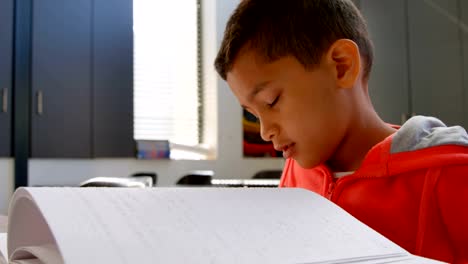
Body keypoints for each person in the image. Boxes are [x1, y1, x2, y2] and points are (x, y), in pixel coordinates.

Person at [214, 0, 468, 263]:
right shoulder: (296, 174)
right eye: (254, 115)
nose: (265, 132)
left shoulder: (449, 174)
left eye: (271, 101)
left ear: (341, 66)